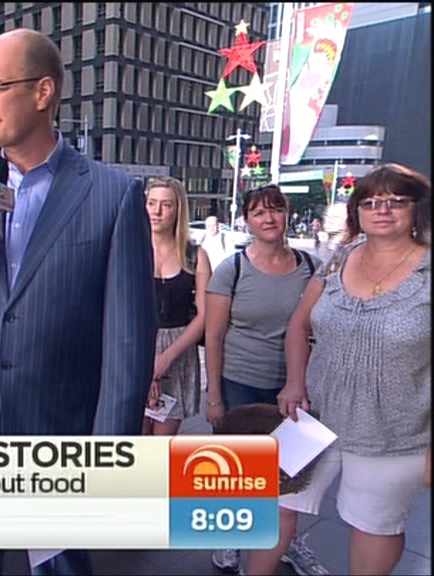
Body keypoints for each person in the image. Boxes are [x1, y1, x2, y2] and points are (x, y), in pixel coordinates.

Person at [0, 29, 156, 576]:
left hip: (60, 432)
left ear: (43, 92)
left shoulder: (112, 195)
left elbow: (128, 343)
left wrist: (110, 459)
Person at [276, 163, 430, 576]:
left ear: (418, 208)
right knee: (271, 497)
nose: (383, 209)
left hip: (396, 431)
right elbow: (299, 324)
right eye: (371, 202)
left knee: (374, 525)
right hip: (313, 415)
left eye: (396, 201)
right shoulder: (338, 259)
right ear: (356, 211)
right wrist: (294, 382)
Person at [203, 184, 326, 576]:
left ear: (287, 215)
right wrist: (215, 396)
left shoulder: (311, 267)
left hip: (297, 384)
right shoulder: (233, 270)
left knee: (292, 472)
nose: (269, 218)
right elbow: (213, 335)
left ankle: (286, 539)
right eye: (259, 212)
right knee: (241, 470)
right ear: (247, 221)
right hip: (241, 381)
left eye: (275, 209)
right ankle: (231, 536)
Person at [143, 177, 209, 436]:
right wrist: (146, 364)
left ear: (178, 209)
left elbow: (204, 315)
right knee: (134, 443)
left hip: (179, 351)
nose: (157, 212)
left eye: (166, 205)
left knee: (162, 447)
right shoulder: (130, 250)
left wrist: (165, 359)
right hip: (136, 348)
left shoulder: (196, 255)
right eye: (152, 203)